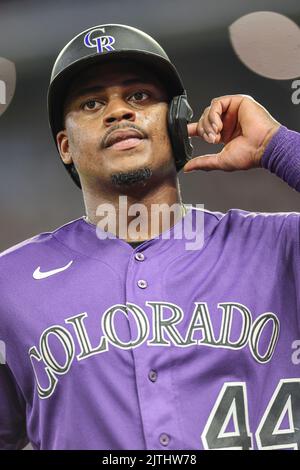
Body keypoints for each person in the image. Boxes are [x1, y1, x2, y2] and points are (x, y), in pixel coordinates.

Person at [0, 23, 299, 451]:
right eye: (91, 102)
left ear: (177, 121)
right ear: (65, 145)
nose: (119, 111)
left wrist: (277, 145)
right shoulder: (9, 284)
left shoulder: (279, 246)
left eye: (139, 96)